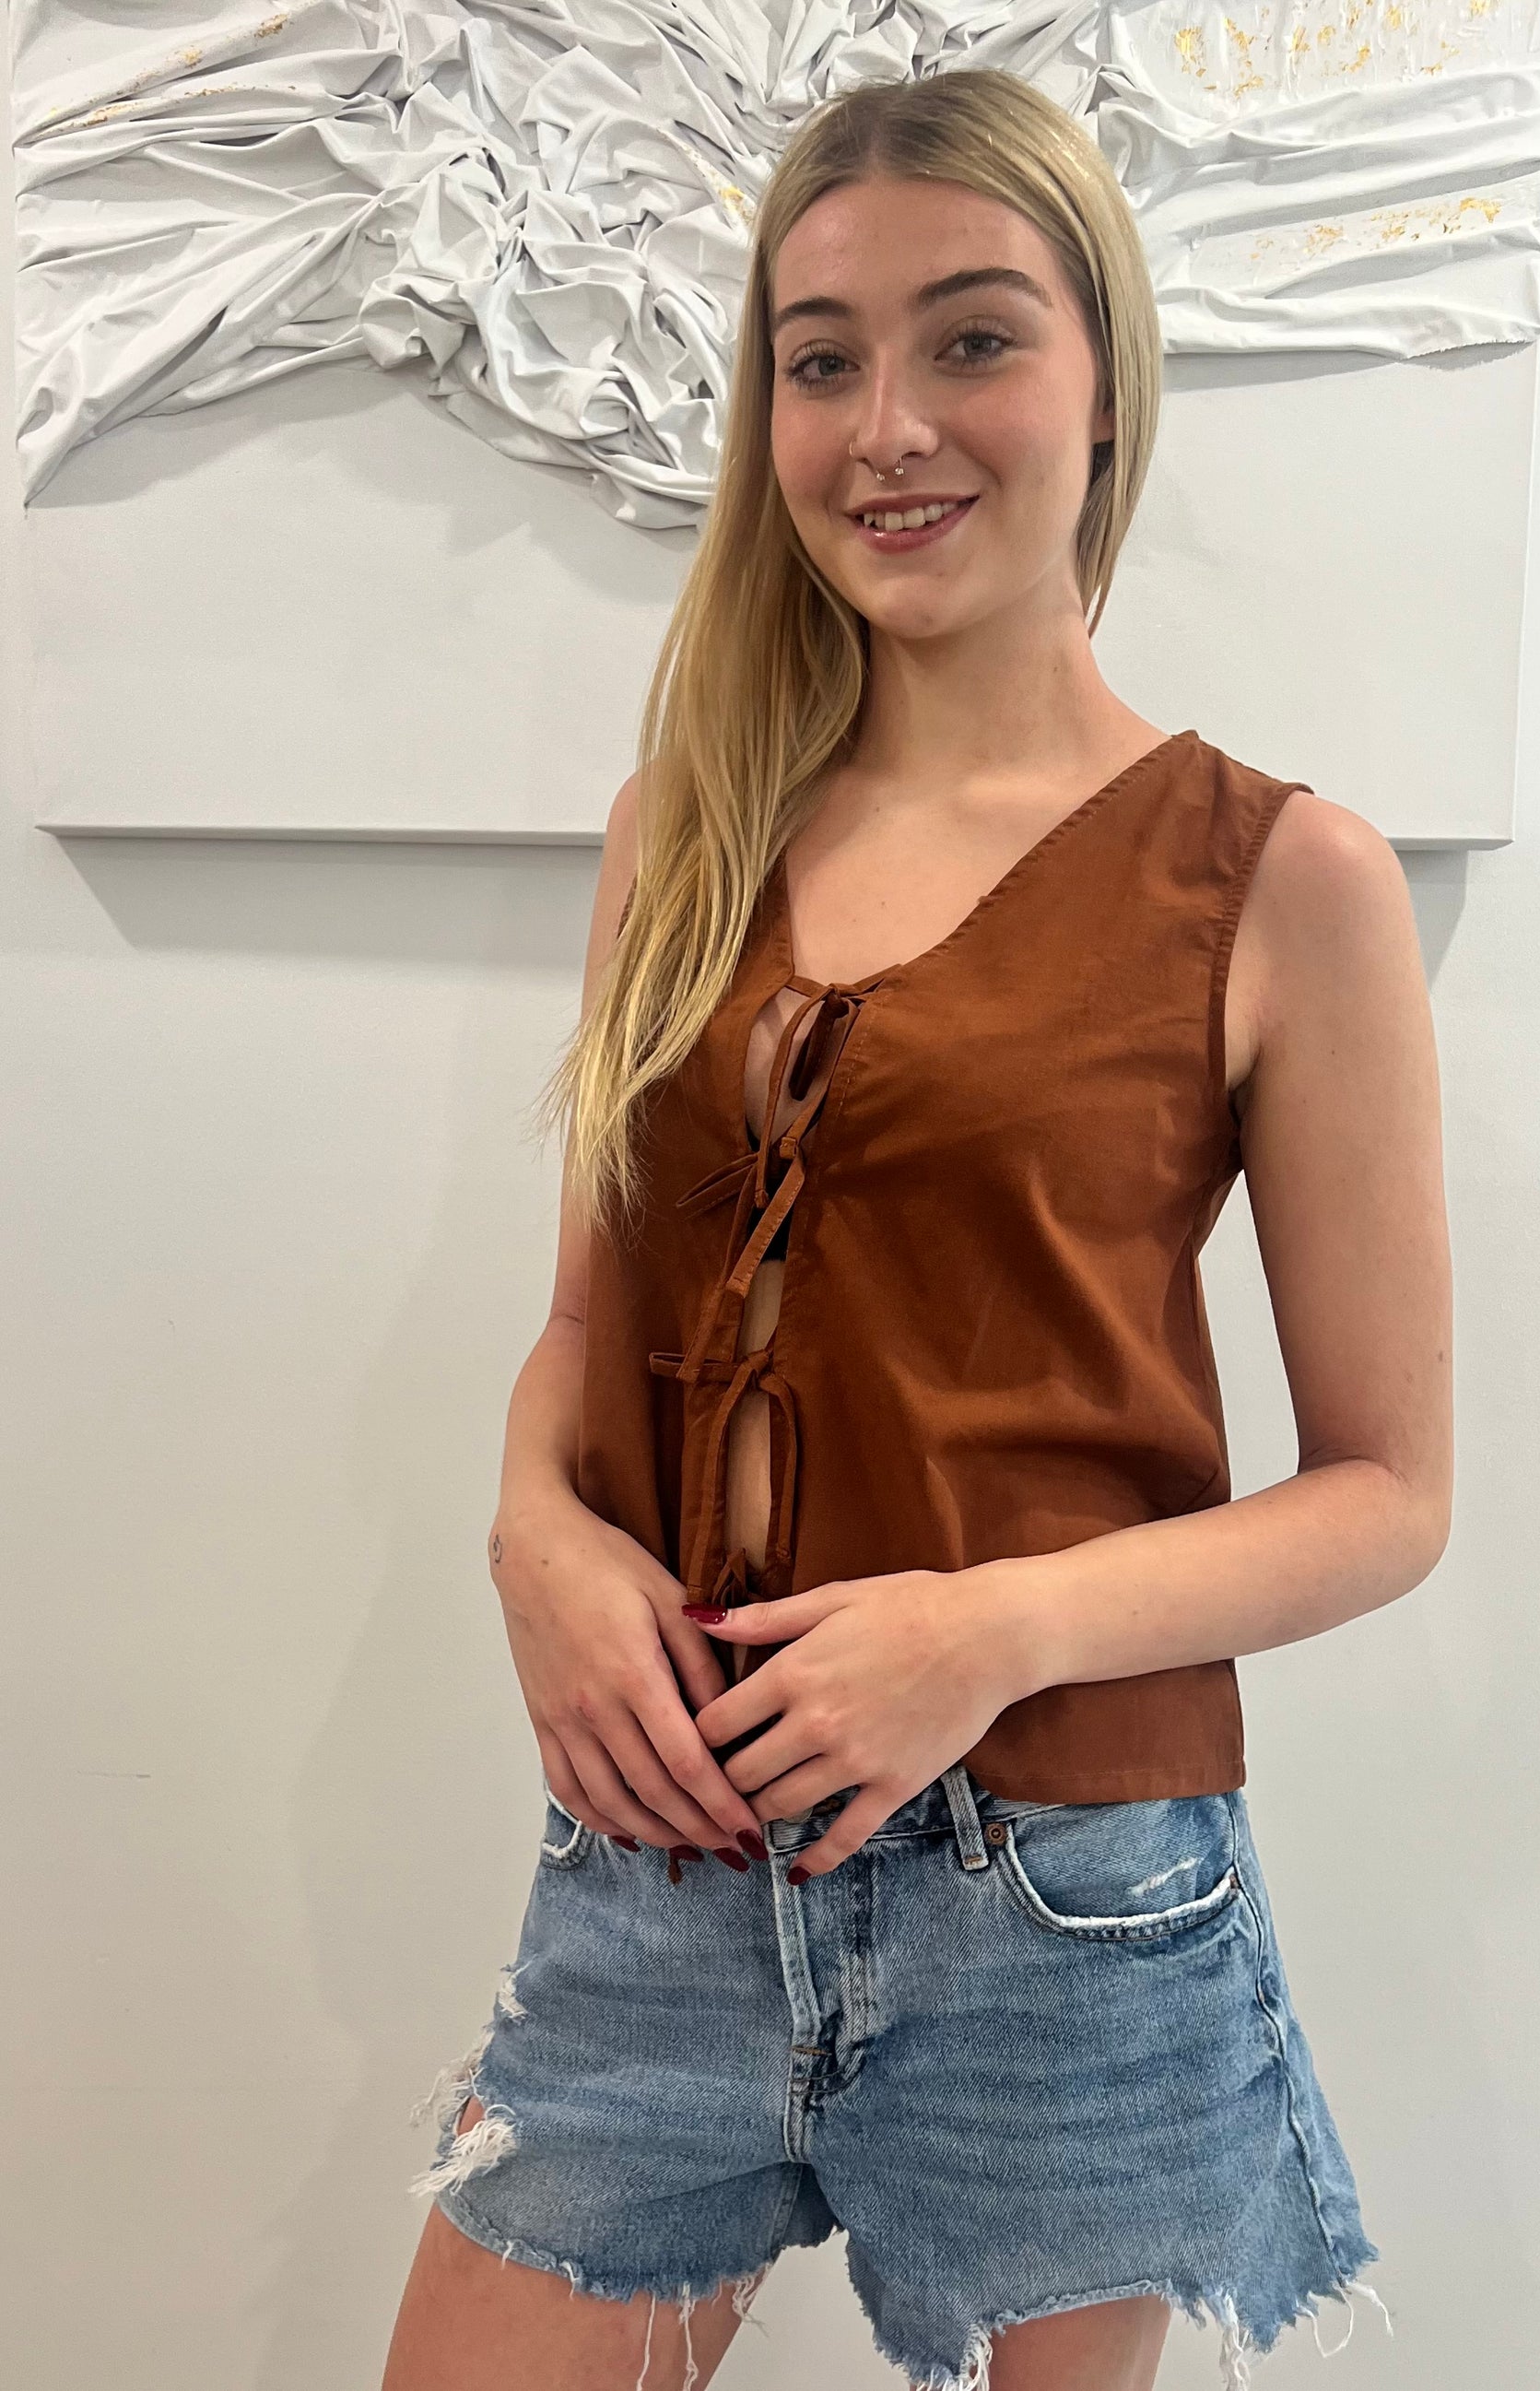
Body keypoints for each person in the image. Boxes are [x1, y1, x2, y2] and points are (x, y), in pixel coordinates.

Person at [382, 65, 1450, 2391]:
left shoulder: (1282, 879)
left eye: (971, 338)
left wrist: (985, 1631)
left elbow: (1389, 1493)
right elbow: (583, 1325)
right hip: (663, 1866)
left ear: (1102, 378)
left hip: (1059, 1895)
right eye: (821, 357)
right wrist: (530, 1535)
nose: (887, 427)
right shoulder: (683, 826)